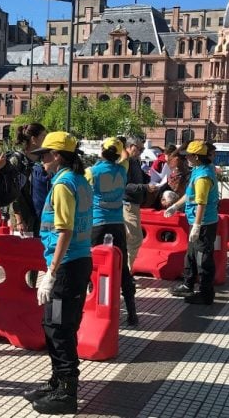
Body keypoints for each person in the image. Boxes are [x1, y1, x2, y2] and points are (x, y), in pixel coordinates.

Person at [23, 131, 93, 414]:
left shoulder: (64, 185)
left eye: (45, 156)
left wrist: (51, 273)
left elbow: (64, 231)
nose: (42, 162)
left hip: (66, 267)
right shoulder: (79, 181)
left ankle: (66, 392)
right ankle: (56, 382)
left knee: (59, 328)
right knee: (56, 325)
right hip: (75, 263)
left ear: (58, 156)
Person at [85, 137, 138, 326]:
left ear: (102, 151)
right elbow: (125, 156)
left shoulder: (91, 172)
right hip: (117, 224)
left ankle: (95, 304)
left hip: (97, 224)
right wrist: (121, 145)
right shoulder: (122, 170)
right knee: (122, 266)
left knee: (93, 265)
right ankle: (132, 312)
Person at [166, 140, 219, 305]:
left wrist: (197, 226)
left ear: (196, 156)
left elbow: (201, 202)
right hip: (195, 220)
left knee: (203, 258)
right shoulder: (198, 170)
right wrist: (175, 206)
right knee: (191, 255)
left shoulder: (203, 176)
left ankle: (205, 294)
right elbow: (190, 195)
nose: (186, 158)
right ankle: (187, 284)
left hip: (203, 223)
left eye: (188, 155)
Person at [123, 136, 157, 269]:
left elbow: (141, 178)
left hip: (134, 204)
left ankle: (124, 270)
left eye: (143, 149)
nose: (142, 151)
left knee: (130, 238)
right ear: (130, 147)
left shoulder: (135, 161)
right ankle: (125, 271)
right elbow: (125, 185)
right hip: (127, 204)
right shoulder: (126, 162)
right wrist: (145, 187)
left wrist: (150, 179)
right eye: (139, 148)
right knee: (135, 238)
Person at [10, 123, 47, 236]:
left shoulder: (44, 160)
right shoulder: (17, 161)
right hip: (22, 218)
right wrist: (19, 219)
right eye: (43, 136)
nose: (46, 139)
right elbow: (12, 193)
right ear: (33, 139)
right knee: (22, 251)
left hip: (40, 218)